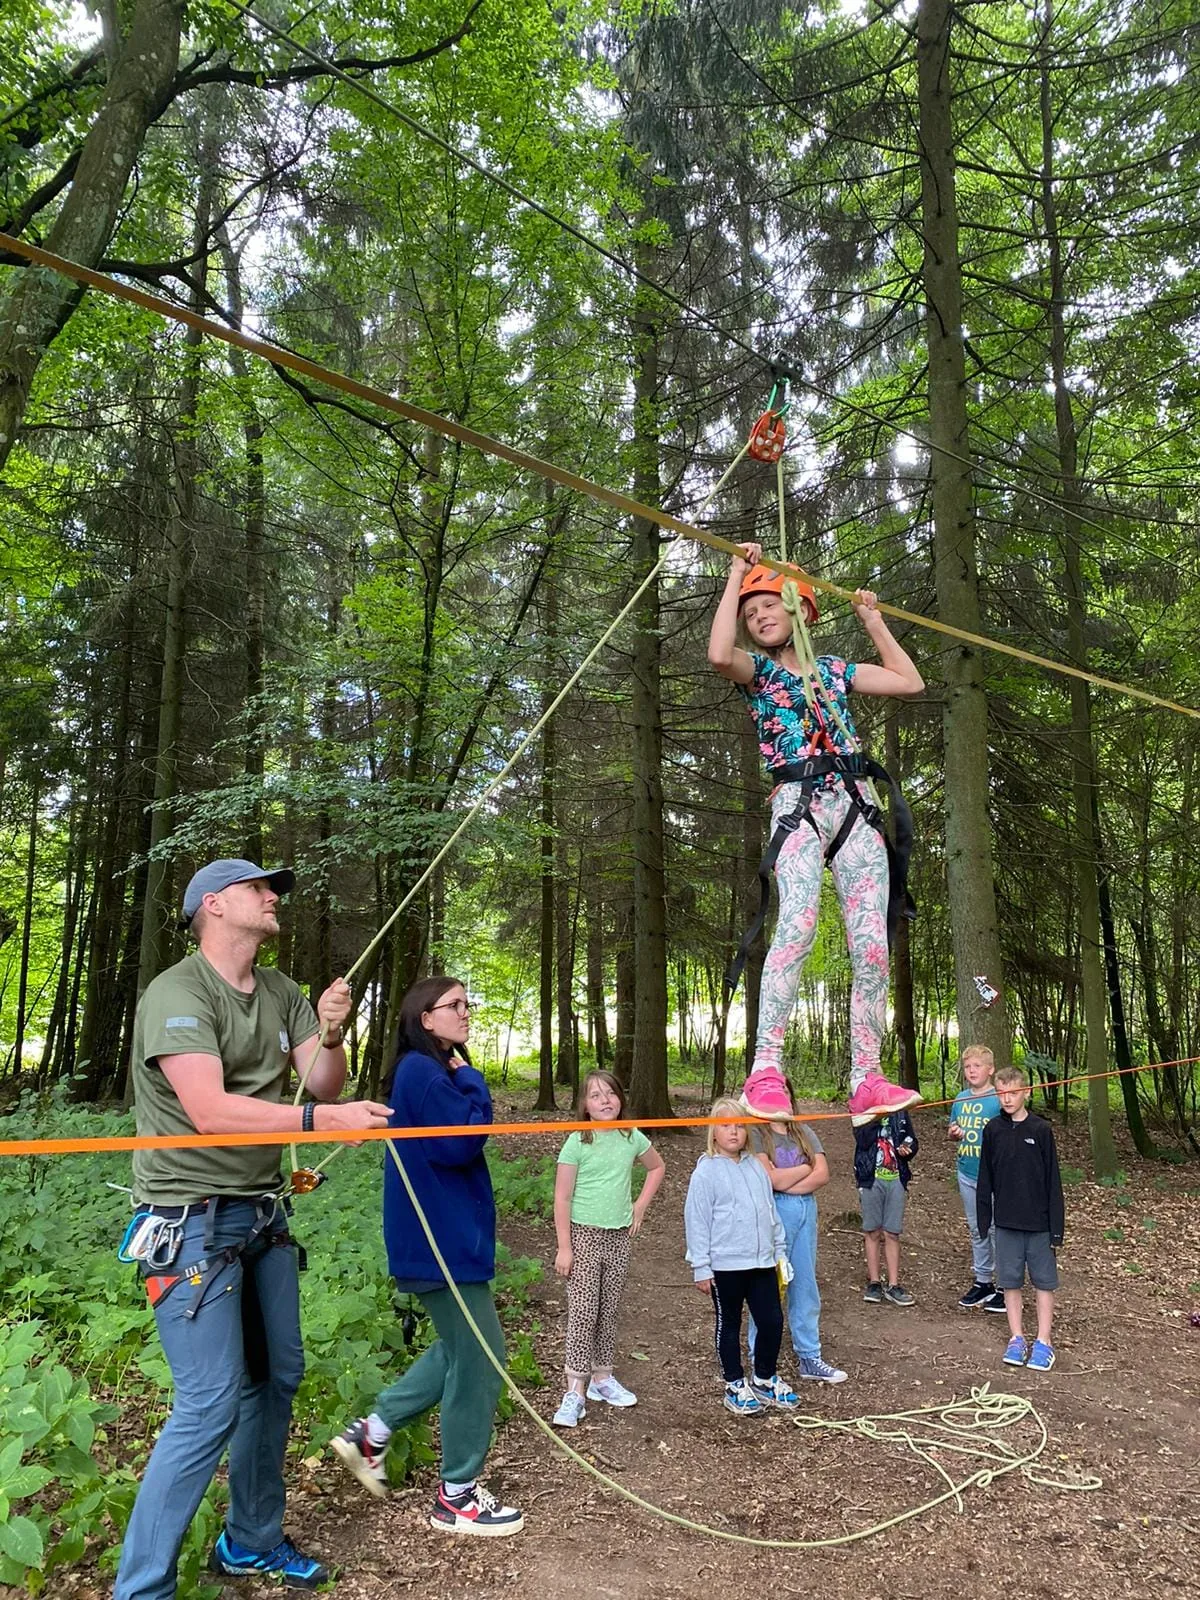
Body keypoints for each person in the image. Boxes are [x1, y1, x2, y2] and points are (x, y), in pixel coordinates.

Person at [114, 858, 391, 1599]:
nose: (273, 897)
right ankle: (140, 1589)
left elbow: (322, 1081)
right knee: (207, 1402)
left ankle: (251, 1542)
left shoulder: (281, 991)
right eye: (258, 887)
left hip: (263, 1217)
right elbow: (209, 1110)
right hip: (189, 1223)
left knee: (273, 1383)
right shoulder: (176, 992)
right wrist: (320, 1121)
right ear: (213, 905)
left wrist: (331, 1035)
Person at [708, 540, 925, 1124]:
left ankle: (866, 1077)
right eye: (752, 614)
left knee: (872, 944)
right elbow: (717, 652)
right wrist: (736, 576)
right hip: (799, 805)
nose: (758, 618)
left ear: (801, 608)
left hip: (857, 805)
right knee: (798, 925)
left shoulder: (835, 672)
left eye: (767, 606)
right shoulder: (758, 674)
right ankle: (766, 1069)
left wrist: (872, 621)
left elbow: (910, 682)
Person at [332, 975, 523, 1536]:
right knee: (483, 1359)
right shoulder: (422, 1071)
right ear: (425, 1018)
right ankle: (456, 1495)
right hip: (437, 1242)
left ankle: (372, 1432)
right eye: (454, 1005)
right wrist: (475, 1081)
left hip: (448, 1239)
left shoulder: (433, 1072)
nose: (466, 1012)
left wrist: (463, 1078)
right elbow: (463, 1140)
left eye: (468, 1002)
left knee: (460, 1348)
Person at [551, 1070, 665, 1427]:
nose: (605, 1101)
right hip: (584, 1234)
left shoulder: (630, 1135)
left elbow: (656, 1167)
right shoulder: (577, 1142)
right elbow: (562, 1196)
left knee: (609, 1308)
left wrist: (640, 1205)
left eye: (611, 1094)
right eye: (596, 1095)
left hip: (618, 1235)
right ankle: (575, 1390)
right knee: (584, 1311)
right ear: (584, 1105)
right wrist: (564, 1246)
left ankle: (602, 1378)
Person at [684, 1097, 801, 1417]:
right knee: (730, 1324)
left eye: (739, 1125)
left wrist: (779, 1252)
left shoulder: (755, 1167)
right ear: (713, 1131)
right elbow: (696, 1220)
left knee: (772, 1321)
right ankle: (735, 1383)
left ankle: (763, 1377)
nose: (733, 1132)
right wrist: (701, 1266)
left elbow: (769, 1210)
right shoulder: (706, 1172)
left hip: (762, 1261)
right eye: (725, 1126)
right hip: (725, 1265)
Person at [741, 1068, 847, 1384]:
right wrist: (803, 1170)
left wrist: (788, 1180)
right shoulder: (757, 1132)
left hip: (806, 1211)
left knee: (804, 1283)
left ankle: (809, 1355)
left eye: (786, 1091)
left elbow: (823, 1173)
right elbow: (768, 1179)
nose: (781, 1098)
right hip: (774, 1214)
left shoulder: (803, 1132)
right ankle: (759, 1356)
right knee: (768, 1284)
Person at [976, 1066, 1065, 1372]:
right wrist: (983, 1218)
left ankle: (1044, 1341)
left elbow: (1053, 1181)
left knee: (1043, 1283)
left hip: (1038, 1224)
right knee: (1010, 1283)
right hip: (1006, 1223)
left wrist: (1057, 1229)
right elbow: (985, 1178)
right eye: (1002, 1093)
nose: (1008, 1099)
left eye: (1013, 1092)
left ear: (1026, 1092)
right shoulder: (992, 1130)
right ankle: (1017, 1337)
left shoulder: (1040, 1130)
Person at [948, 1044, 1005, 1312]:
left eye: (977, 1066)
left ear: (990, 1070)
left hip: (995, 1176)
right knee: (977, 1228)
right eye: (968, 1067)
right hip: (967, 1172)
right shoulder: (960, 1099)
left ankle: (1006, 1285)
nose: (972, 1071)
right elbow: (953, 1128)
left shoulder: (999, 1099)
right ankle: (984, 1282)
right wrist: (954, 1133)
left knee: (996, 1228)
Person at [855, 1106, 919, 1306]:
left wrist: (907, 1150)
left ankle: (893, 1284)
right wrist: (876, 1116)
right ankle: (874, 1283)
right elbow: (862, 1140)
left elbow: (912, 1141)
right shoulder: (861, 1109)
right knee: (872, 1230)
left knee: (892, 1232)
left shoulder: (899, 1110)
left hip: (896, 1178)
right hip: (870, 1178)